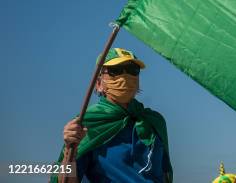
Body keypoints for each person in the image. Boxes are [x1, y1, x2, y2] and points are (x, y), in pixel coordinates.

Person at [51, 48, 173, 183]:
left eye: (132, 70)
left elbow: (165, 174)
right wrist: (70, 150)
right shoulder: (86, 124)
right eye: (115, 70)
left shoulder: (154, 121)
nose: (125, 76)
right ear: (98, 84)